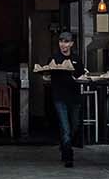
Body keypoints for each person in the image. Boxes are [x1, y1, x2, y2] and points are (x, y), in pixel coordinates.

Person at [35, 32, 86, 167]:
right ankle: (68, 156)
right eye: (61, 41)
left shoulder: (76, 59)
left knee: (75, 125)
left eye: (66, 41)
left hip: (74, 97)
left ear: (72, 44)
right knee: (65, 127)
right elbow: (47, 75)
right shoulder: (54, 58)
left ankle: (64, 144)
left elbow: (81, 76)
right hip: (59, 97)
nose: (63, 44)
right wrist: (44, 75)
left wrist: (80, 78)